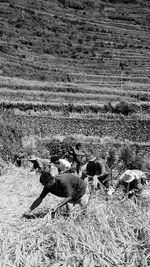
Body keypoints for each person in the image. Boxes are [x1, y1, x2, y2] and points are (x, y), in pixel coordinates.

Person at [22, 172, 90, 218]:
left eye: (45, 184)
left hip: (82, 191)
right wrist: (29, 210)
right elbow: (40, 198)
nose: (44, 186)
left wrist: (57, 206)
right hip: (72, 194)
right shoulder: (48, 186)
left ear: (51, 181)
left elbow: (69, 197)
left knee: (84, 213)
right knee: (70, 215)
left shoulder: (62, 181)